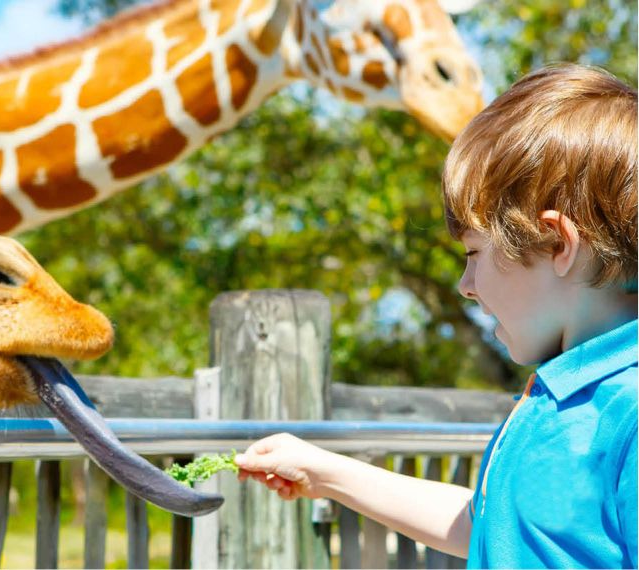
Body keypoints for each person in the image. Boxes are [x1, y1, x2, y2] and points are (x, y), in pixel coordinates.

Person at [234, 63, 638, 568]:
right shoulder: (554, 399)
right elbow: (487, 526)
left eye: (473, 254)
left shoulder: (628, 412)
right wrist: (325, 472)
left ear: (558, 244)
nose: (465, 288)